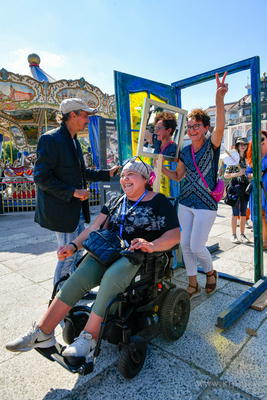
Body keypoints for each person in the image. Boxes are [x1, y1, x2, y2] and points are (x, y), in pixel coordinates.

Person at [6, 158, 180, 362]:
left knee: (111, 278)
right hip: (109, 251)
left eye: (130, 174)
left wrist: (151, 245)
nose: (124, 178)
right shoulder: (116, 200)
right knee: (79, 276)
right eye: (123, 175)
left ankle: (89, 339)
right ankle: (42, 333)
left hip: (138, 256)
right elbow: (93, 228)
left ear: (144, 178)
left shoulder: (158, 201)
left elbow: (175, 235)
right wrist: (73, 246)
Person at [34, 98, 120, 286]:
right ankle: (59, 303)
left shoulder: (73, 141)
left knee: (78, 250)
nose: (88, 120)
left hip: (75, 210)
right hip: (63, 211)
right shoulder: (51, 139)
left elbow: (81, 172)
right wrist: (73, 192)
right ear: (72, 116)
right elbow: (40, 177)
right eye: (85, 116)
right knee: (67, 255)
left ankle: (70, 295)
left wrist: (107, 174)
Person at [158, 72, 228, 299]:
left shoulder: (212, 145)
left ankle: (210, 272)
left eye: (196, 125)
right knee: (185, 246)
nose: (192, 130)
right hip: (185, 202)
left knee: (197, 246)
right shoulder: (185, 151)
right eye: (189, 126)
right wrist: (160, 170)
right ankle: (192, 284)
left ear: (205, 127)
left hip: (206, 204)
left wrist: (219, 99)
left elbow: (220, 128)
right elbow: (178, 176)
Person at [224, 137, 250, 244]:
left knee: (243, 212)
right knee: (235, 213)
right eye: (240, 144)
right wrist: (239, 173)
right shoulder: (233, 159)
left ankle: (242, 234)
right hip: (235, 188)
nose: (243, 146)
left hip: (245, 187)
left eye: (245, 144)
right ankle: (233, 235)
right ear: (237, 146)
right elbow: (226, 175)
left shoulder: (248, 159)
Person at [246, 131, 267, 249]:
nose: (260, 142)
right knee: (261, 213)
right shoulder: (253, 156)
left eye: (262, 139)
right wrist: (254, 175)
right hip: (258, 189)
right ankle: (264, 239)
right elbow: (248, 173)